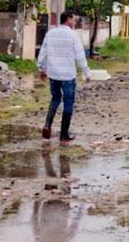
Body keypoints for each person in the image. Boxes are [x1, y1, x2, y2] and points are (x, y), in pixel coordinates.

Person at [38, 11, 91, 146]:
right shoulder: (73, 36)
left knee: (55, 98)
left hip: (54, 74)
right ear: (68, 19)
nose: (75, 22)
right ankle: (64, 135)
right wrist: (86, 72)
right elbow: (80, 56)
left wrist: (42, 69)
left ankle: (47, 125)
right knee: (68, 102)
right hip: (68, 75)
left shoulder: (50, 34)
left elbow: (43, 52)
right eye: (73, 19)